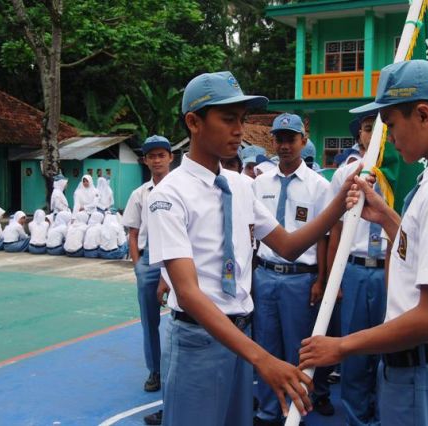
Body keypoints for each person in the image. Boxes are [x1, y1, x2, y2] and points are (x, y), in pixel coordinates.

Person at [147, 71, 353, 426]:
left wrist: (338, 204)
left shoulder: (242, 186)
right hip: (199, 340)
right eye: (227, 119)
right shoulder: (169, 195)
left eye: (240, 120)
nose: (239, 129)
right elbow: (189, 292)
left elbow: (288, 246)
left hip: (240, 336)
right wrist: (263, 359)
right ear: (194, 122)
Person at [299, 60, 428, 426]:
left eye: (391, 125)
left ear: (423, 114)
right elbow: (424, 251)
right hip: (425, 368)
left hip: (425, 371)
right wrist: (390, 219)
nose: (388, 139)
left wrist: (342, 346)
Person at [252, 113, 333, 424]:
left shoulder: (318, 186)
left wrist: (321, 280)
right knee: (267, 345)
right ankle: (268, 409)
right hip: (265, 273)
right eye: (279, 139)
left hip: (300, 279)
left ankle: (296, 412)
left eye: (291, 139)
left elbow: (324, 238)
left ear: (303, 140)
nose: (285, 145)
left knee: (298, 347)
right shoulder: (259, 184)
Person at [325, 110, 388, 426]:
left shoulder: (403, 172)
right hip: (356, 270)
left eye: (379, 128)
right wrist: (333, 281)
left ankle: (386, 415)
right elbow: (335, 230)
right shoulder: (345, 175)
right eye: (367, 128)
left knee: (390, 351)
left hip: (391, 271)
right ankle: (356, 418)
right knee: (354, 353)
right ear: (360, 136)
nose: (373, 134)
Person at [124, 135, 173, 403]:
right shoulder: (140, 194)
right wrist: (138, 267)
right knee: (150, 321)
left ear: (170, 158)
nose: (156, 160)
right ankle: (154, 370)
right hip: (149, 259)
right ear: (145, 160)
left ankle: (176, 369)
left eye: (161, 155)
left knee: (184, 317)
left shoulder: (182, 189)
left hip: (177, 258)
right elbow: (133, 232)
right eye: (151, 156)